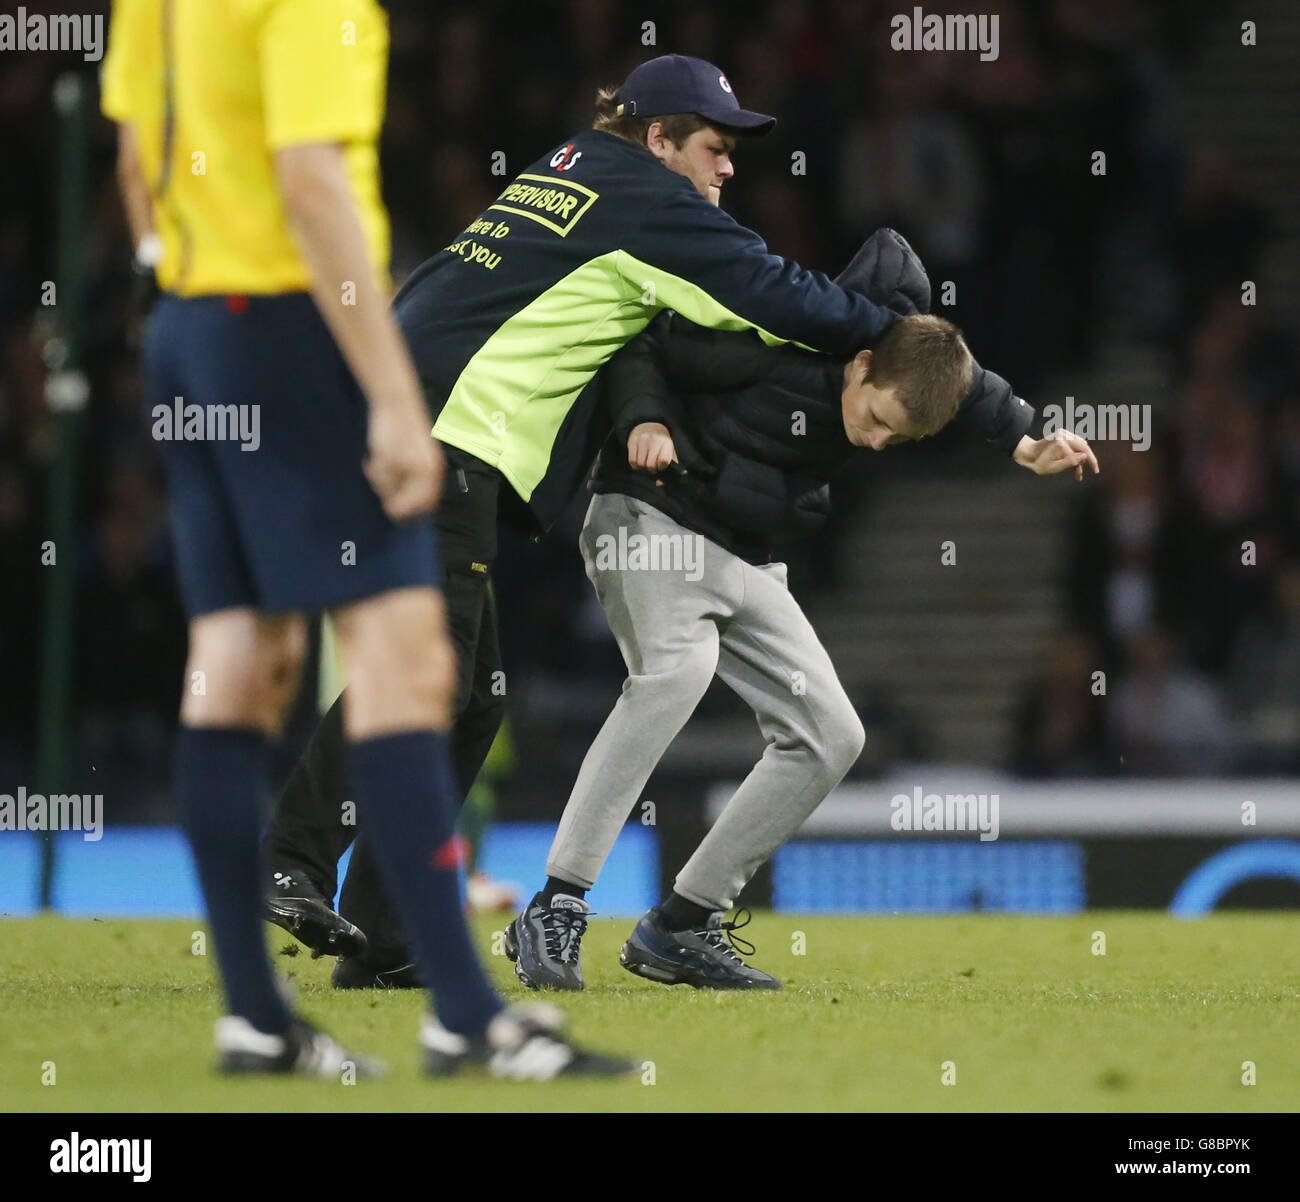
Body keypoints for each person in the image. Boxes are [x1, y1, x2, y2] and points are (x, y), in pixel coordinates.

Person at [261, 53, 932, 987]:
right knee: (436, 674)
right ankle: (288, 857)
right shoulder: (645, 200)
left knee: (471, 695)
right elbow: (772, 295)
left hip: (415, 420)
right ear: (658, 140)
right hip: (434, 436)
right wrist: (886, 333)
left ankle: (387, 941)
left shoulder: (574, 167)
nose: (727, 167)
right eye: (713, 145)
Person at [101, 0, 629, 1079]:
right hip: (290, 328)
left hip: (190, 326)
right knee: (412, 656)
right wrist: (391, 392)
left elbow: (135, 160)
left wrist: (179, 277)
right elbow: (311, 181)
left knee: (241, 660)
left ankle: (256, 1017)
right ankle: (466, 1018)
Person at [504, 230, 1099, 990]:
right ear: (857, 364)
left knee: (831, 736)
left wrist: (1025, 439)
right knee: (676, 675)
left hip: (745, 550)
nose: (878, 443)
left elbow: (964, 379)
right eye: (879, 419)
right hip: (651, 515)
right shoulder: (776, 329)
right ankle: (556, 906)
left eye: (899, 436)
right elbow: (641, 338)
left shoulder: (902, 359)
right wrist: (645, 419)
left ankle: (683, 923)